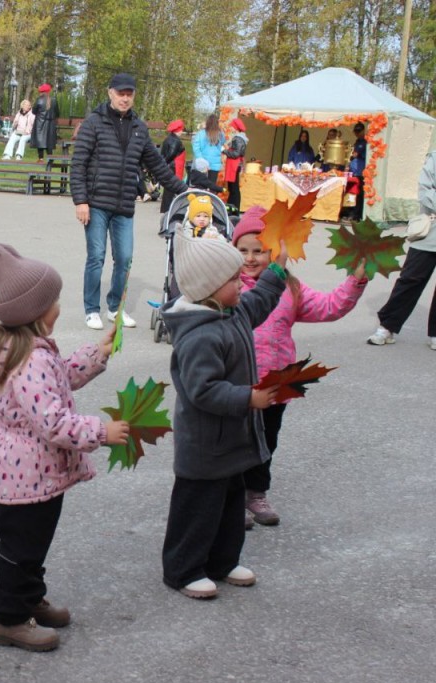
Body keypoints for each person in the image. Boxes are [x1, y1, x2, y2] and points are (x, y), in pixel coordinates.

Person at [0, 243, 129, 651]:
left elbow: (61, 379)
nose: (59, 307)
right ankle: (9, 619)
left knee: (33, 544)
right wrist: (100, 432)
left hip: (31, 473)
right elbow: (53, 421)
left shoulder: (29, 350)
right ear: (35, 312)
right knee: (21, 548)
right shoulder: (31, 361)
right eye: (54, 301)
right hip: (27, 474)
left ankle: (29, 599)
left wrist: (97, 352)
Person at [159, 233, 287, 599]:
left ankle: (222, 561)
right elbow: (202, 390)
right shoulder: (199, 335)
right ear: (209, 288)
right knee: (197, 509)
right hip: (204, 445)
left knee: (230, 506)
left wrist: (278, 270)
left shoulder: (232, 310)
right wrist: (248, 397)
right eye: (233, 279)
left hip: (232, 439)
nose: (241, 283)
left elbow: (261, 300)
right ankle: (183, 570)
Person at [233, 206, 368, 528]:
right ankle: (231, 496)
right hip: (237, 384)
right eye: (243, 250)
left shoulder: (289, 288)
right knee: (235, 442)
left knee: (266, 441)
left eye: (259, 251)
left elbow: (330, 307)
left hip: (276, 384)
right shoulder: (228, 287)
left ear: (276, 251)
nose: (250, 258)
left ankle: (256, 493)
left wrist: (357, 280)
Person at [70, 72, 187, 330]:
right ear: (110, 93)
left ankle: (115, 308)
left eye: (129, 94)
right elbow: (78, 164)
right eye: (120, 93)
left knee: (124, 259)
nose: (124, 98)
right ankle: (92, 310)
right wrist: (80, 200)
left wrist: (185, 190)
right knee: (96, 257)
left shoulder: (139, 128)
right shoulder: (93, 123)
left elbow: (158, 166)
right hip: (96, 203)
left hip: (123, 205)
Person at [366, 149, 436, 351]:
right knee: (411, 279)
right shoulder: (434, 158)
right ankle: (387, 327)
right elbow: (425, 192)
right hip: (430, 230)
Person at [159, 119, 186, 214]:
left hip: (170, 165)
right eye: (181, 130)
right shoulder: (176, 141)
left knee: (169, 188)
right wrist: (166, 162)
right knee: (172, 186)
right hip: (174, 166)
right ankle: (169, 208)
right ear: (177, 130)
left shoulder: (168, 138)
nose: (182, 132)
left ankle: (165, 207)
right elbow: (171, 154)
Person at [222, 117, 247, 210]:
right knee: (233, 188)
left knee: (234, 188)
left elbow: (236, 153)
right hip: (235, 165)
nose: (231, 128)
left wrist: (224, 151)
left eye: (232, 126)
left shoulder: (238, 139)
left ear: (236, 127)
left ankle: (234, 207)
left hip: (234, 165)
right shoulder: (239, 138)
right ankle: (231, 206)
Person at [192, 114, 224, 185]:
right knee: (212, 185)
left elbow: (196, 147)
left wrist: (200, 158)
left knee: (202, 185)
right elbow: (222, 143)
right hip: (215, 163)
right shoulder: (220, 134)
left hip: (203, 162)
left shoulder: (201, 133)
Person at [31, 84, 58, 161]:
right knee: (49, 141)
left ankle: (41, 158)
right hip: (51, 124)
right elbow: (57, 113)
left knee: (40, 141)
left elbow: (34, 111)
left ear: (41, 92)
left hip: (40, 123)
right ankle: (50, 158)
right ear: (49, 91)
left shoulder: (39, 100)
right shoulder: (54, 100)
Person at [348, 122, 367, 221]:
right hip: (354, 171)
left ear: (363, 131)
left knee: (359, 194)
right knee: (353, 193)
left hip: (361, 172)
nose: (357, 133)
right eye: (355, 131)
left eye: (359, 131)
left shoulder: (365, 142)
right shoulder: (357, 141)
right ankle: (351, 212)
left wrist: (356, 155)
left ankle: (357, 215)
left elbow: (360, 155)